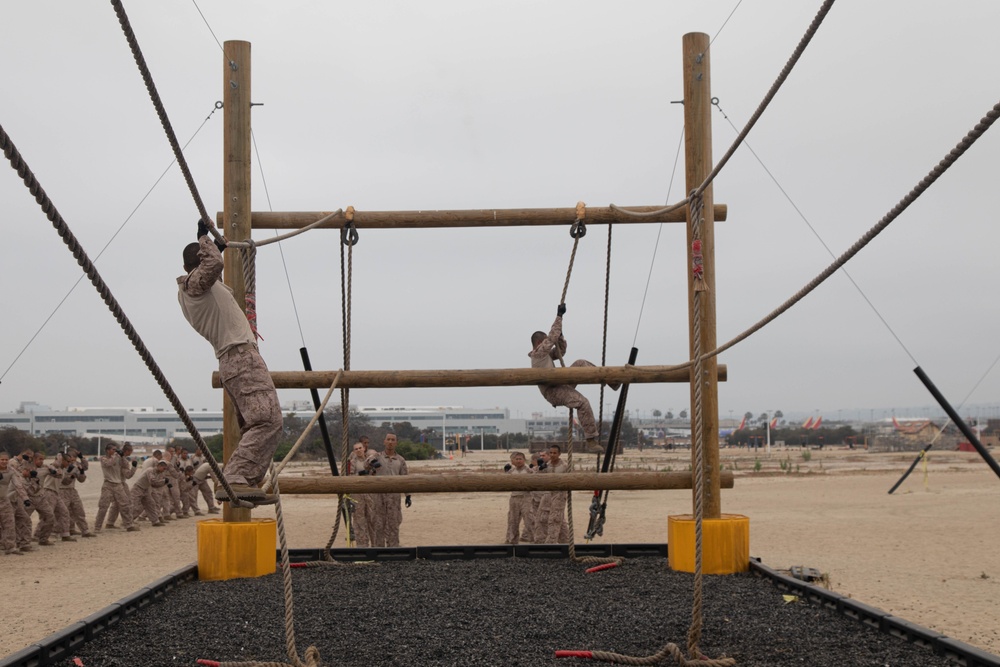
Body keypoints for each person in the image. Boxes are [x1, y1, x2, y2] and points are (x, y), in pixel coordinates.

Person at [178, 222, 282, 503]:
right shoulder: (192, 286)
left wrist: (216, 245)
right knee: (268, 421)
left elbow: (214, 269)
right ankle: (236, 476)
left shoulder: (203, 289)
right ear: (199, 262)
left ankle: (246, 480)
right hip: (240, 357)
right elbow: (212, 264)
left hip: (236, 360)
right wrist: (202, 237)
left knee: (256, 424)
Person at [529, 304, 617, 451]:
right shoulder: (538, 355)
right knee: (582, 402)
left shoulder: (545, 356)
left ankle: (609, 381)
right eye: (545, 343)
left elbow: (560, 352)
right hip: (553, 391)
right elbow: (551, 338)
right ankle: (591, 440)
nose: (548, 345)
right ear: (539, 343)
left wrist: (560, 336)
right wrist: (559, 316)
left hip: (560, 384)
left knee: (580, 363)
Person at [372, 433, 409, 548]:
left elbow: (405, 479)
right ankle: (378, 550)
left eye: (393, 440)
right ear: (384, 441)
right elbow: (365, 466)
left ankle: (393, 550)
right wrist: (372, 462)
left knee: (394, 524)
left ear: (396, 443)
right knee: (379, 524)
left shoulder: (400, 460)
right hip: (379, 496)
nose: (390, 442)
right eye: (388, 439)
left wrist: (408, 495)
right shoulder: (377, 456)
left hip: (394, 497)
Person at [94, 444, 138, 533]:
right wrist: (116, 455)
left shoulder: (118, 458)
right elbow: (109, 463)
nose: (115, 451)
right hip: (108, 484)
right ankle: (97, 527)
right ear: (108, 450)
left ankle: (129, 525)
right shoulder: (103, 459)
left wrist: (122, 457)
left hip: (118, 485)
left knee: (125, 505)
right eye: (113, 449)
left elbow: (125, 465)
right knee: (103, 506)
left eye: (115, 449)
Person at [347, 441, 377, 547]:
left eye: (360, 448)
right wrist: (359, 474)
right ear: (354, 451)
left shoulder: (370, 460)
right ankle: (362, 546)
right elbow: (349, 477)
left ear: (364, 448)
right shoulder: (352, 462)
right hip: (358, 493)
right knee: (359, 521)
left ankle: (375, 545)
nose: (359, 450)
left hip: (370, 493)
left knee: (373, 519)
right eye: (356, 449)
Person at [539, 444, 570, 544]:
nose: (552, 455)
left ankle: (550, 543)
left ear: (559, 454)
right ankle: (565, 540)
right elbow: (540, 479)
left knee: (555, 518)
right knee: (544, 517)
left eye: (555, 453)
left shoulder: (565, 466)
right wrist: (540, 469)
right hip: (548, 493)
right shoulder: (546, 466)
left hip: (560, 494)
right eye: (551, 453)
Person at [503, 451, 534, 545]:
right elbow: (505, 483)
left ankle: (534, 540)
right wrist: (505, 473)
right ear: (513, 461)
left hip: (526, 497)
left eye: (520, 459)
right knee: (513, 520)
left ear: (524, 460)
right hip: (514, 498)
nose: (519, 461)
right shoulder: (511, 471)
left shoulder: (529, 471)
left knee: (529, 520)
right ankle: (511, 541)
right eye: (516, 459)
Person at [0, 452, 23, 555]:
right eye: (2, 459)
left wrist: (25, 498)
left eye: (6, 460)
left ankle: (10, 547)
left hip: (4, 500)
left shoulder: (10, 471)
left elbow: (18, 484)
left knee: (9, 523)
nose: (4, 461)